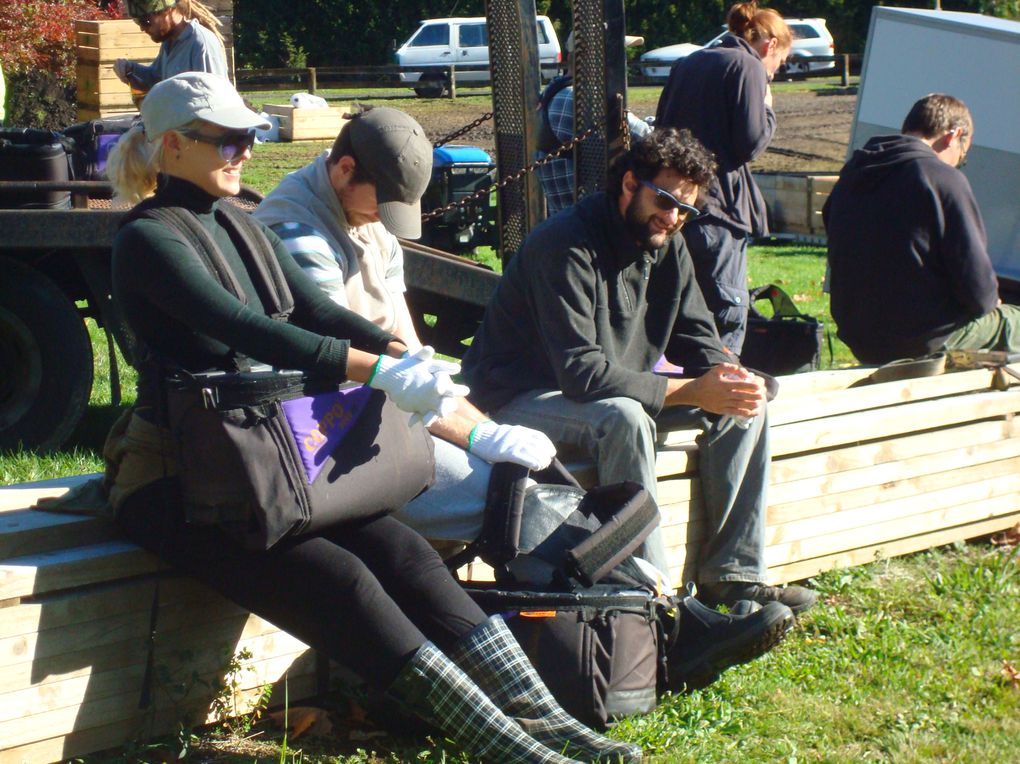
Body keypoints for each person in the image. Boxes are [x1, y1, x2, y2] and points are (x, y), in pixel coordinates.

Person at [105, 71, 642, 764]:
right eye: (229, 140)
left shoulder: (238, 220)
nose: (244, 150)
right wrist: (375, 370)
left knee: (408, 555)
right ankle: (509, 747)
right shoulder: (147, 239)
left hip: (261, 466)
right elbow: (245, 328)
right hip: (180, 484)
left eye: (251, 136)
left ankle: (548, 722)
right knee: (346, 583)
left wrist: (398, 351)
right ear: (172, 145)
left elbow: (316, 310)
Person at [462, 128, 817, 614]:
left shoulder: (666, 242)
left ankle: (733, 578)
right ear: (629, 183)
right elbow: (580, 373)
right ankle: (655, 602)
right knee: (624, 418)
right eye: (665, 200)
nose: (672, 218)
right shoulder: (565, 245)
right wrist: (693, 390)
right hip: (515, 398)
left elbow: (698, 338)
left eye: (685, 210)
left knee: (743, 409)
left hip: (601, 392)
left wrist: (731, 377)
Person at [254, 107, 558, 546]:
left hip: (384, 407)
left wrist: (483, 429)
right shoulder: (298, 235)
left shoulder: (366, 217)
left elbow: (408, 351)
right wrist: (476, 434)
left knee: (527, 485)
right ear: (345, 170)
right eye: (384, 203)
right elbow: (352, 367)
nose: (385, 218)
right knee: (511, 507)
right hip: (326, 433)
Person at [823, 93, 1019, 363]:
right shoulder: (943, 179)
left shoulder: (852, 175)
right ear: (953, 136)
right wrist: (989, 301)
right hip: (920, 338)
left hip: (859, 335)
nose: (958, 163)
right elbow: (979, 290)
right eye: (962, 156)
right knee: (1014, 323)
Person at [654, 1, 792, 355]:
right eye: (779, 62)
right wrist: (768, 108)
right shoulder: (748, 66)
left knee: (680, 309)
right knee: (723, 316)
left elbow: (662, 130)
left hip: (677, 204)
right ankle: (721, 399)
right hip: (720, 210)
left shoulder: (689, 63)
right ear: (770, 45)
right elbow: (749, 143)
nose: (775, 71)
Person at [537, 33, 651, 216]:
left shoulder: (553, 92)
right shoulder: (576, 98)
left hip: (571, 220)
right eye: (617, 55)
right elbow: (649, 139)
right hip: (589, 224)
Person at [113, 0, 227, 94]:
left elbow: (215, 99)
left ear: (168, 10)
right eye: (138, 21)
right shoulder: (169, 42)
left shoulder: (200, 43)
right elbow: (156, 79)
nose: (142, 28)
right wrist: (131, 69)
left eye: (146, 21)